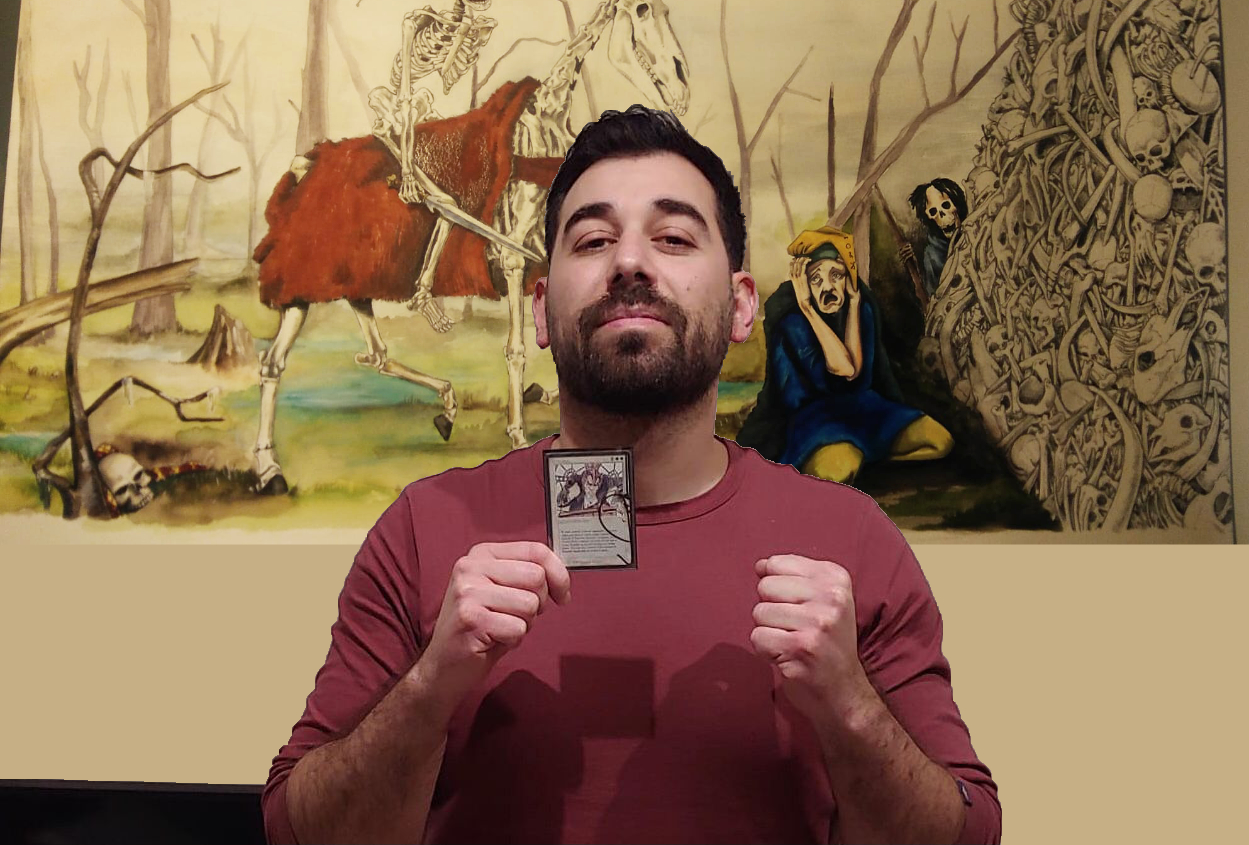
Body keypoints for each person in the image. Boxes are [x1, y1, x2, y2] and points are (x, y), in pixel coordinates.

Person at [262, 106, 1000, 844]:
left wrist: (851, 704)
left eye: (673, 237)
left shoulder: (851, 539)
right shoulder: (425, 530)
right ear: (540, 310)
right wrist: (429, 688)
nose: (629, 263)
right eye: (593, 240)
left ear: (743, 305)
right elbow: (296, 833)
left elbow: (969, 835)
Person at [737, 226, 954, 484]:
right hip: (817, 419)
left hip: (863, 409)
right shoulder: (793, 323)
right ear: (804, 285)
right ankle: (852, 461)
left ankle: (869, 460)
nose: (827, 287)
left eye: (836, 275)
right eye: (816, 279)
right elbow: (843, 368)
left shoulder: (861, 309)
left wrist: (853, 302)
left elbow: (856, 372)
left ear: (848, 277)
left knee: (941, 442)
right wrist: (807, 308)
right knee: (840, 469)